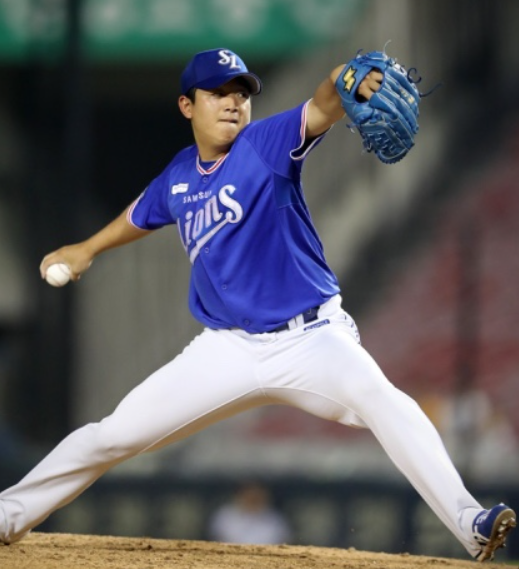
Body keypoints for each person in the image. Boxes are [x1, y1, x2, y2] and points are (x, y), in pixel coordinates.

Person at [0, 47, 515, 561]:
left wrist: (344, 77)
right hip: (227, 349)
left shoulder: (265, 144)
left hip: (312, 340)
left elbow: (324, 103)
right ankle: (8, 514)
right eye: (219, 93)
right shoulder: (178, 176)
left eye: (242, 93)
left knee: (383, 400)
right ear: (186, 105)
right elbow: (143, 211)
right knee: (110, 436)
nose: (233, 102)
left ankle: (469, 521)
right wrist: (88, 248)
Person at [207, 483, 291, 545]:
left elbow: (284, 544)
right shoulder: (224, 515)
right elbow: (214, 541)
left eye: (257, 495)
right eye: (249, 494)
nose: (253, 498)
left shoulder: (276, 519)